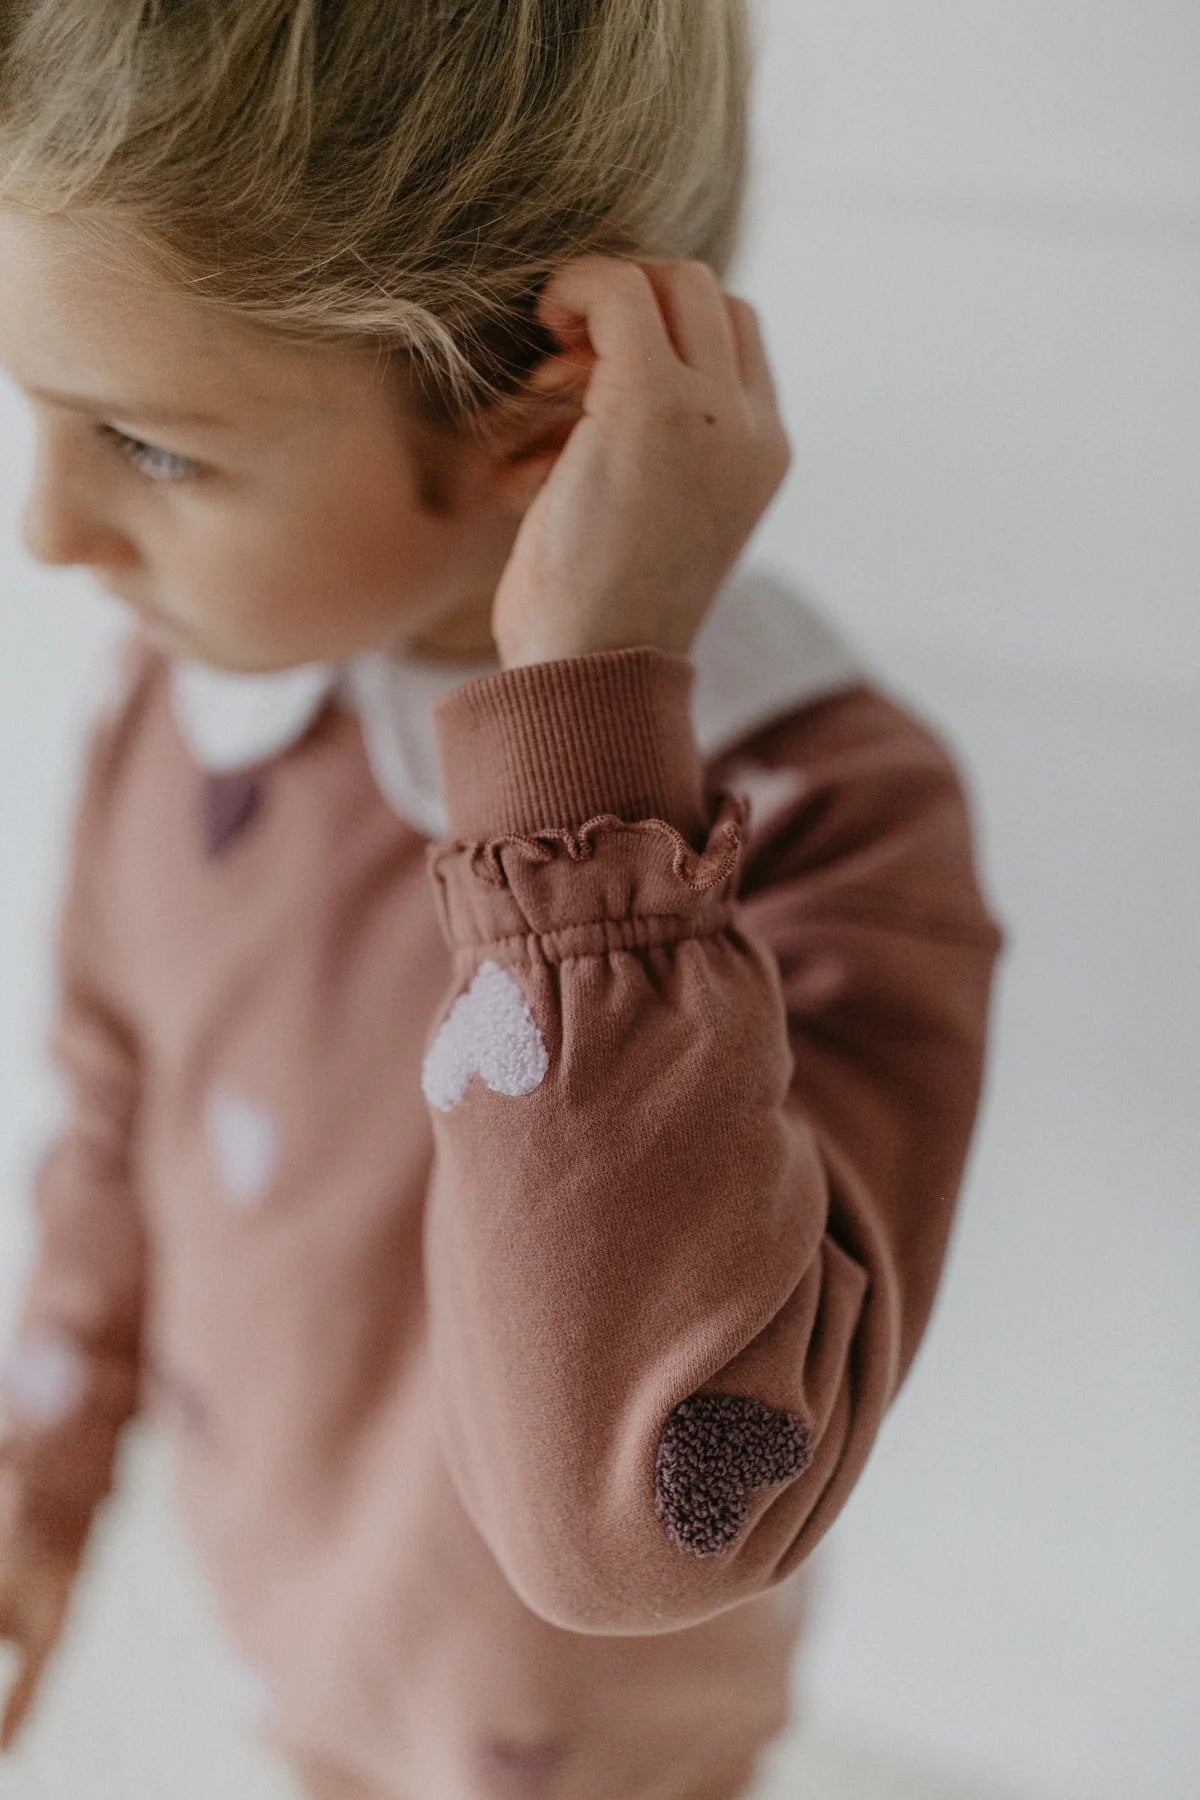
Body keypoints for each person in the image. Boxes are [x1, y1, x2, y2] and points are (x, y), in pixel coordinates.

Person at [0, 4, 1007, 1797]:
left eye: (147, 446)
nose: (48, 533)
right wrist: (46, 1475)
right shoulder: (192, 700)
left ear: (539, 429)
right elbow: (119, 1111)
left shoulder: (821, 819)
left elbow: (639, 1523)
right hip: (284, 1637)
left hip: (579, 1756)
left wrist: (590, 770)